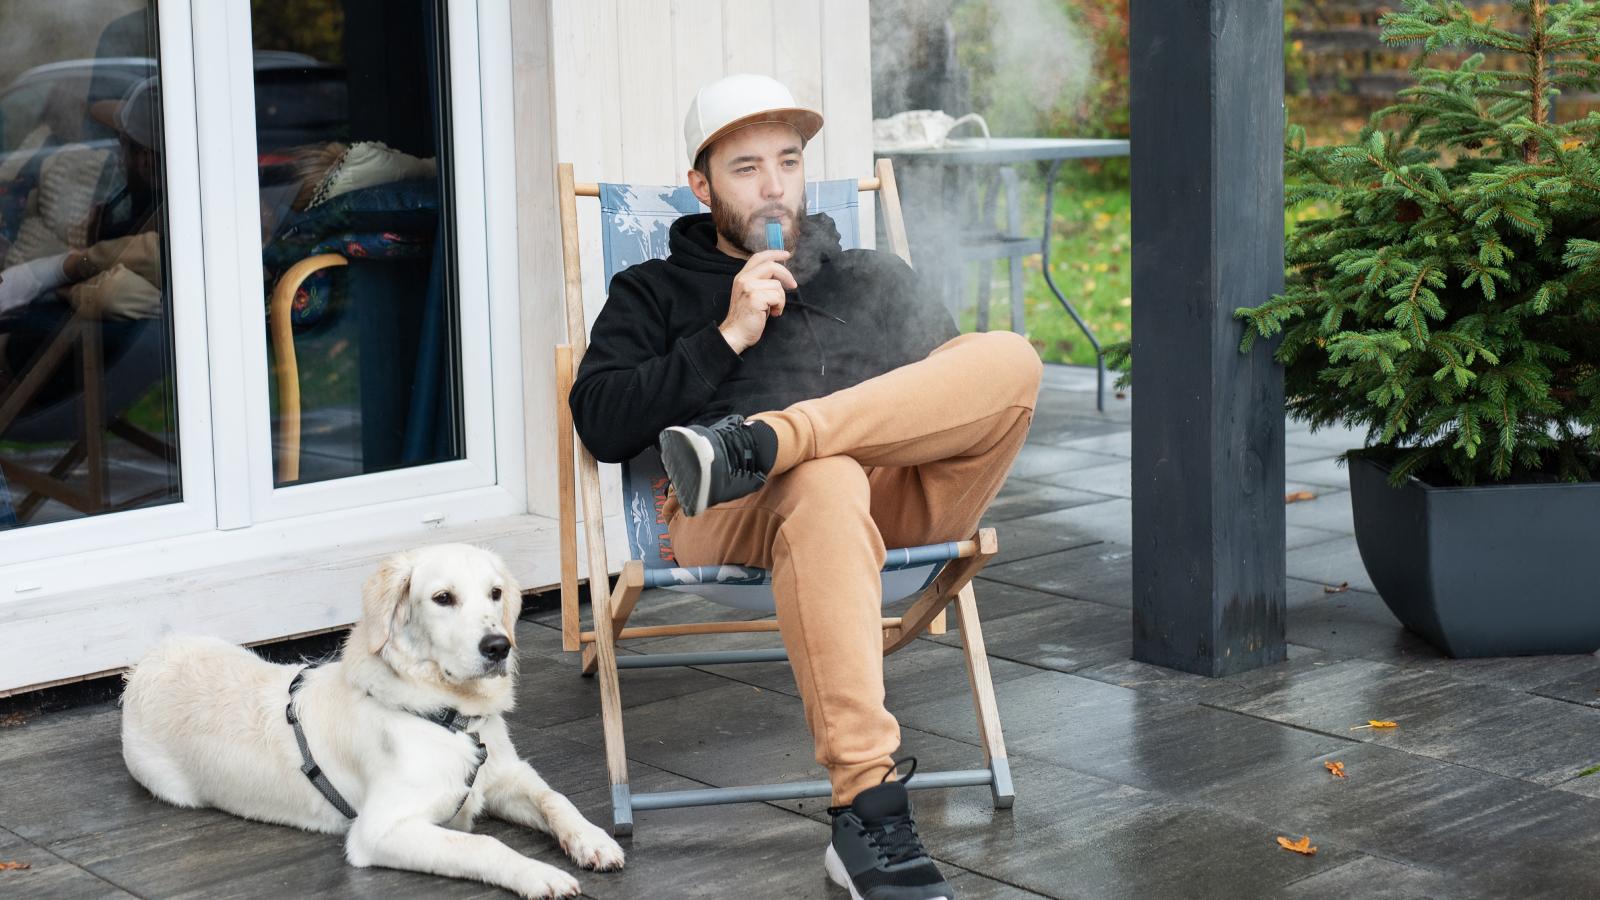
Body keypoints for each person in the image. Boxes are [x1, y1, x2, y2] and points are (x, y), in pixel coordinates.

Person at [569, 74, 1042, 900]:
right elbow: (603, 422)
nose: (774, 183)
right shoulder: (655, 290)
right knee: (821, 481)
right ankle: (867, 805)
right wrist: (728, 334)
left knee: (1011, 359)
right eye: (746, 167)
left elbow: (956, 400)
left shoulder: (872, 274)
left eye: (788, 160)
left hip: (894, 502)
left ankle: (769, 441)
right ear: (701, 184)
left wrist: (801, 433)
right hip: (733, 509)